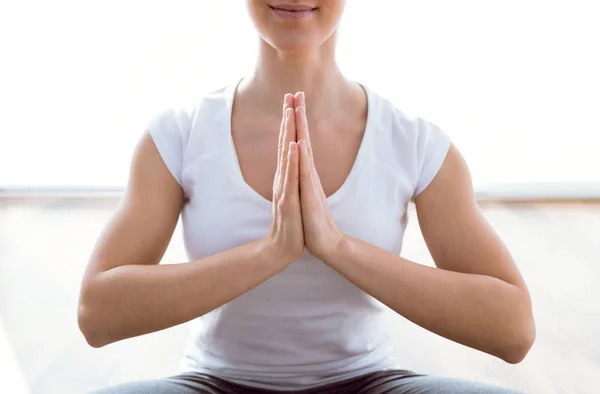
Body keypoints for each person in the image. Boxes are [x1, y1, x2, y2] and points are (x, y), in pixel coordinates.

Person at [78, 1, 535, 393]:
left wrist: (338, 246)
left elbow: (512, 330)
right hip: (214, 384)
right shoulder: (179, 135)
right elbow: (97, 313)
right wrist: (270, 252)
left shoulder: (412, 142)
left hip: (366, 382)